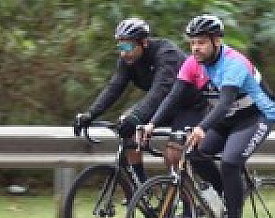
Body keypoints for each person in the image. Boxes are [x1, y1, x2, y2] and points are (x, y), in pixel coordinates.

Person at [142, 14, 275, 218]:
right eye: (192, 42)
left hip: (257, 116)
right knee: (195, 154)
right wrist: (152, 123)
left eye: (201, 42)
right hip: (229, 118)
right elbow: (173, 96)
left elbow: (224, 103)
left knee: (230, 161)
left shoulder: (234, 63)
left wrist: (201, 128)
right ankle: (223, 199)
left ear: (217, 41)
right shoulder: (192, 62)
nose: (195, 48)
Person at [72, 17, 204, 178]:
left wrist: (137, 117)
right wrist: (91, 114)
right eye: (121, 46)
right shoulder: (128, 60)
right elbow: (114, 87)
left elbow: (159, 91)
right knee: (126, 127)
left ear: (144, 42)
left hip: (191, 106)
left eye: (128, 46)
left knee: (173, 156)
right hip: (165, 106)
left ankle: (188, 200)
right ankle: (140, 189)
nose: (123, 52)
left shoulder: (167, 54)